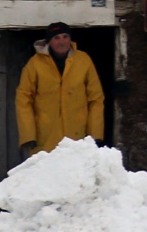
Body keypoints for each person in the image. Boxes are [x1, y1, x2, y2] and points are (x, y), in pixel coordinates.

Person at [16, 21, 105, 157]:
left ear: (70, 39)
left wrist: (95, 134)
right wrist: (28, 135)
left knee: (76, 169)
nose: (62, 42)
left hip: (77, 136)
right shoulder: (35, 64)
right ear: (49, 41)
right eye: (56, 38)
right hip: (45, 137)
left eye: (65, 37)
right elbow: (23, 99)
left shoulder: (83, 60)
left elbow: (96, 99)